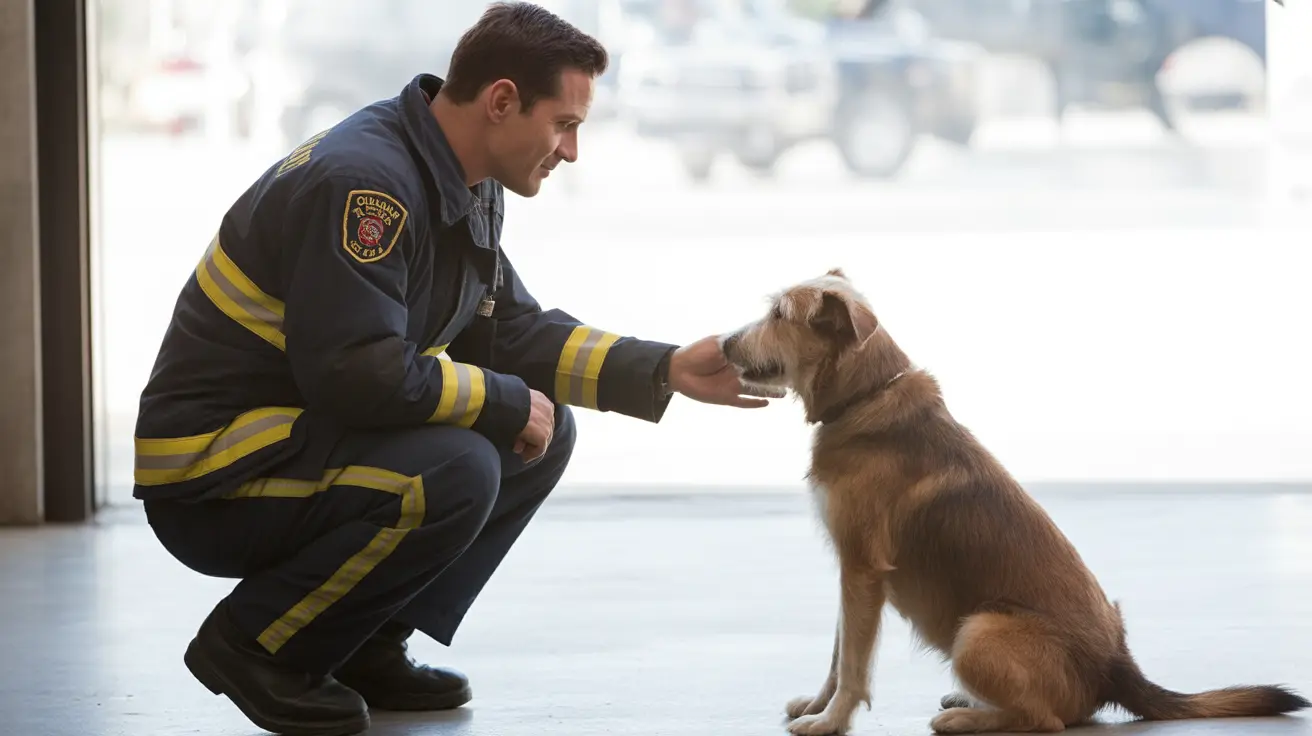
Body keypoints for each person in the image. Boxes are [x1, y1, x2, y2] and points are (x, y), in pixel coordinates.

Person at [132, 3, 780, 734]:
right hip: (213, 476)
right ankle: (255, 645)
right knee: (460, 466)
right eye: (564, 125)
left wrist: (662, 368)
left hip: (294, 437)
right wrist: (499, 402)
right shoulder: (365, 186)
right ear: (502, 101)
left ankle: (360, 642)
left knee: (538, 431)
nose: (571, 152)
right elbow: (357, 372)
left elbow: (508, 330)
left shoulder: (460, 177)